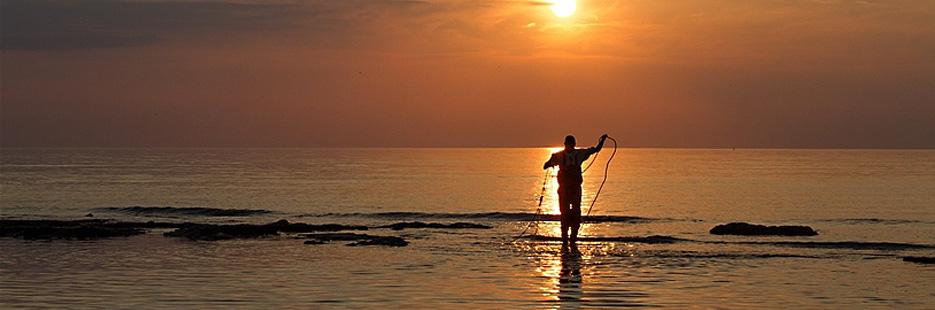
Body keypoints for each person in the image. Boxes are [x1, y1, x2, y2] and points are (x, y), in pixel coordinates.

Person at [543, 134, 607, 245]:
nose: (569, 146)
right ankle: (566, 240)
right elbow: (545, 166)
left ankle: (571, 240)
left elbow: (596, 149)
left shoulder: (574, 154)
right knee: (566, 215)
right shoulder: (561, 155)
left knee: (573, 215)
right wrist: (551, 163)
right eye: (569, 144)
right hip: (566, 190)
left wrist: (602, 141)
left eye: (570, 144)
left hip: (573, 189)